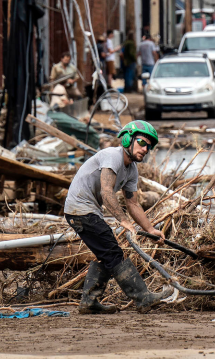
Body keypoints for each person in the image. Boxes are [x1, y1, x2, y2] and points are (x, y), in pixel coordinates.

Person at [63, 120, 174, 314]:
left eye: (149, 146)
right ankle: (142, 297)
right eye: (141, 142)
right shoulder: (111, 157)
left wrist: (150, 229)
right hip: (79, 209)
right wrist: (123, 221)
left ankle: (89, 302)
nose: (146, 149)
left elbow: (133, 203)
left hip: (89, 211)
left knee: (106, 253)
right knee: (113, 253)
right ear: (126, 139)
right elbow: (107, 193)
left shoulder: (132, 170)